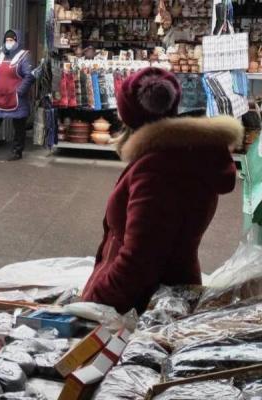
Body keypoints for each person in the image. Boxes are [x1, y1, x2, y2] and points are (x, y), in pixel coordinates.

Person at [81, 68, 243, 314]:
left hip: (143, 307)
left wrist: (95, 302)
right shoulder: (182, 154)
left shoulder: (157, 169)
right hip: (164, 295)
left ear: (128, 115)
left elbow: (139, 261)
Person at [0, 29, 36, 161]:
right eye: (7, 40)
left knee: (18, 126)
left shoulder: (24, 56)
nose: (8, 42)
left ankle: (17, 151)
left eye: (11, 40)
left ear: (17, 41)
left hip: (16, 98)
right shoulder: (1, 55)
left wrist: (20, 91)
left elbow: (29, 76)